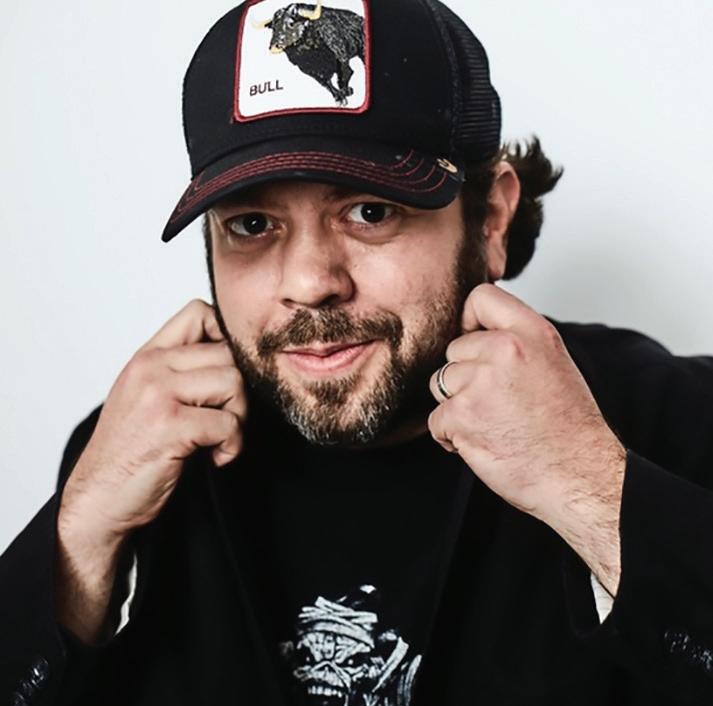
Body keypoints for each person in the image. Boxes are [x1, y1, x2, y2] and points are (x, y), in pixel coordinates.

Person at [1, 0, 712, 704]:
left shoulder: (665, 418)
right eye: (251, 225)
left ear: (491, 218)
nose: (311, 282)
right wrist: (79, 533)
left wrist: (593, 489)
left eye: (370, 211)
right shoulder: (137, 455)